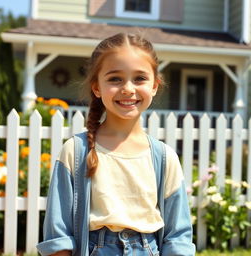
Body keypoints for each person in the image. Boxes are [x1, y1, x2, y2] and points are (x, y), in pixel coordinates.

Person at [36, 33, 195, 256]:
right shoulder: (76, 151)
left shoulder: (164, 158)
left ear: (154, 86)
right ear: (97, 87)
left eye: (139, 78)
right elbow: (59, 234)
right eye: (115, 79)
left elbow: (178, 237)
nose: (128, 88)